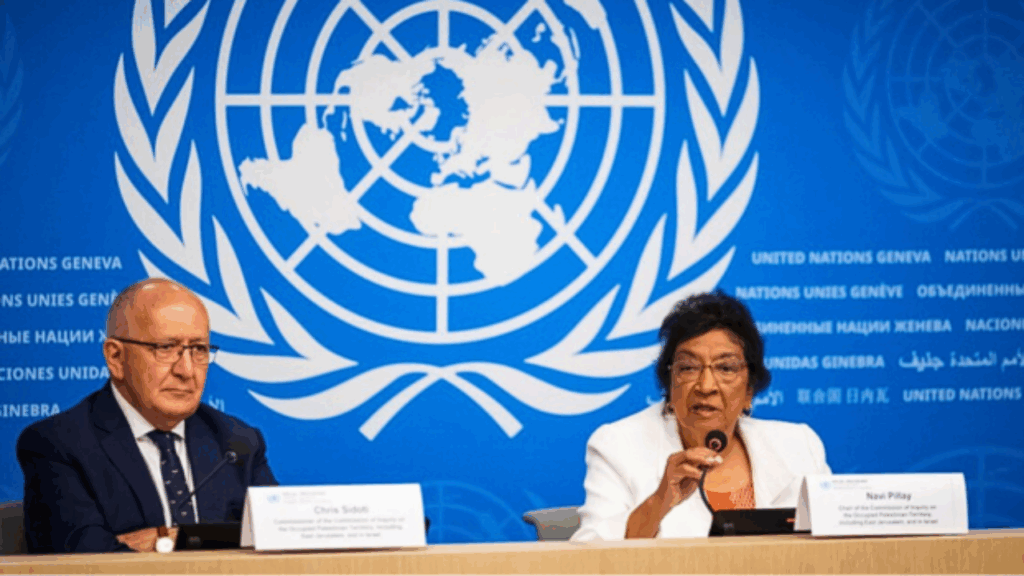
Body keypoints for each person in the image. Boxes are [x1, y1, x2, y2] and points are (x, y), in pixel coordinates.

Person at [17, 279, 277, 553]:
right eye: (166, 348)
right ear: (116, 358)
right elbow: (82, 558)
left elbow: (279, 536)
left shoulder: (236, 441)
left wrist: (169, 540)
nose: (187, 370)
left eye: (199, 349)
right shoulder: (58, 444)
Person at [572, 290, 830, 540]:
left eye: (726, 368)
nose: (706, 386)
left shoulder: (799, 446)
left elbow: (836, 543)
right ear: (670, 384)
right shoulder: (618, 446)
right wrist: (659, 502)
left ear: (749, 390)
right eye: (689, 367)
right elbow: (589, 555)